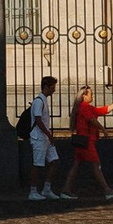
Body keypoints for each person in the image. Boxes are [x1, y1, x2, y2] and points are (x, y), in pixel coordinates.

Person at [66, 86, 113, 201]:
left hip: (81, 140)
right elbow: (92, 119)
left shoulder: (86, 107)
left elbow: (101, 110)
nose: (92, 95)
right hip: (86, 141)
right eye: (91, 94)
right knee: (96, 164)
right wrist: (103, 129)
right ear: (84, 96)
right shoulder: (84, 107)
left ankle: (66, 190)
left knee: (76, 165)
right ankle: (107, 190)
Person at [25, 74, 67, 202]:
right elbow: (38, 120)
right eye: (53, 87)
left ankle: (46, 189)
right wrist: (49, 134)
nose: (54, 90)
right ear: (46, 87)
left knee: (55, 161)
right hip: (39, 138)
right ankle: (33, 191)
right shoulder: (39, 101)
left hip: (45, 138)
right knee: (37, 164)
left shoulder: (42, 100)